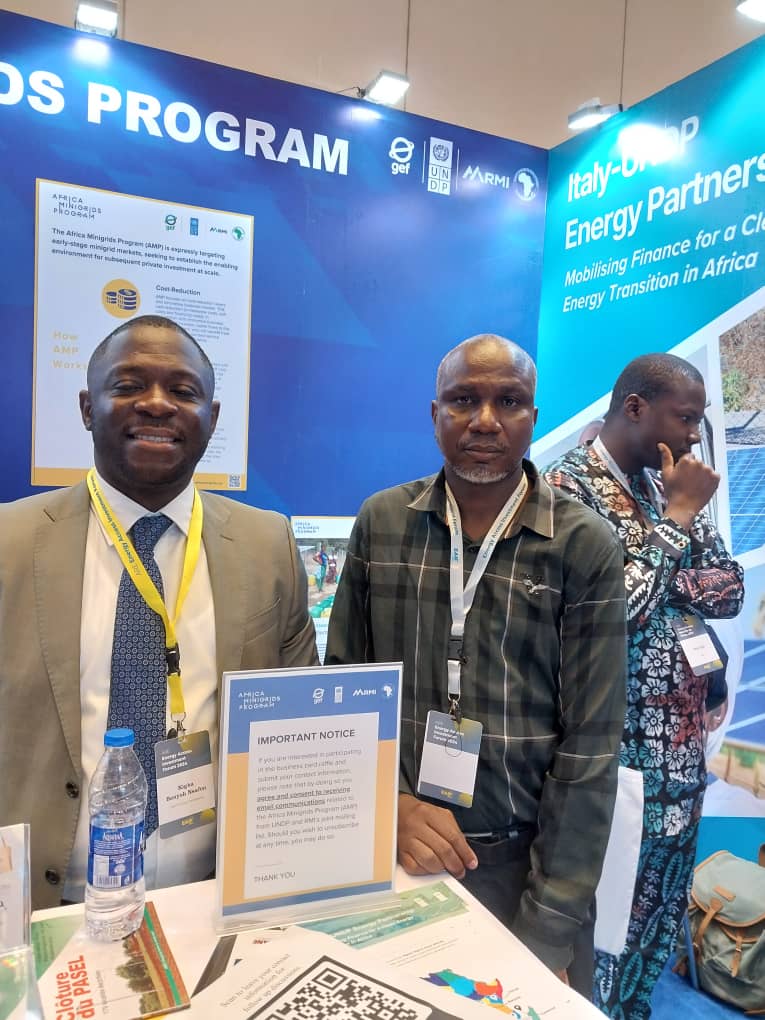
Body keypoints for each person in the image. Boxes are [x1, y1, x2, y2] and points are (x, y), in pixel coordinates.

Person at [325, 333, 628, 995]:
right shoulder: (383, 523)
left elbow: (590, 747)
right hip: (395, 851)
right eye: (463, 400)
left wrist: (548, 927)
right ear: (434, 413)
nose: (485, 420)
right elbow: (344, 692)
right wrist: (387, 804)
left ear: (532, 418)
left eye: (508, 401)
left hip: (524, 867)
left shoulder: (582, 544)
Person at [0, 315, 318, 909]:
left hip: (218, 896)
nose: (156, 403)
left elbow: (297, 723)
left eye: (182, 390)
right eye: (127, 386)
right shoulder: (9, 543)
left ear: (211, 418)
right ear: (87, 408)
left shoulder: (267, 544)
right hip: (46, 905)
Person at [544, 353, 744, 1019]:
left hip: (681, 758)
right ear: (635, 407)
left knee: (655, 930)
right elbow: (617, 610)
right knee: (604, 935)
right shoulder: (566, 488)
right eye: (685, 418)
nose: (692, 436)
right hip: (614, 761)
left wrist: (660, 564)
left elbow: (728, 589)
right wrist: (679, 519)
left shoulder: (665, 484)